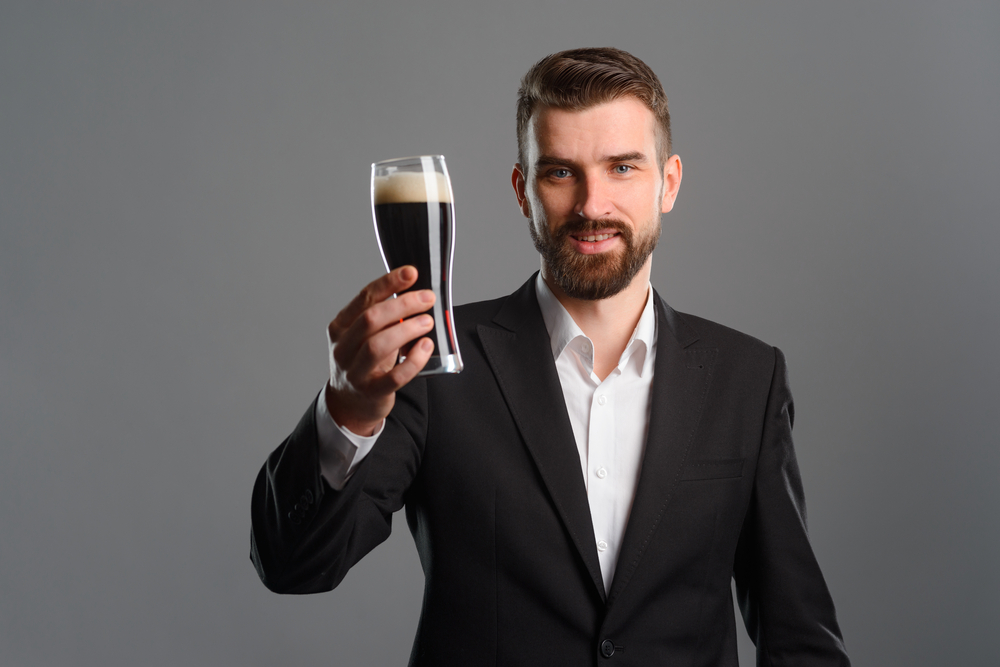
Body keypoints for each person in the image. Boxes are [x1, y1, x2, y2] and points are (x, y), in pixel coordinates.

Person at [251, 47, 850, 666]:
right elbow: (294, 565)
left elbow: (799, 637)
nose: (593, 205)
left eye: (622, 167)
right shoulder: (432, 363)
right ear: (522, 189)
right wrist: (346, 412)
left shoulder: (747, 379)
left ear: (668, 183)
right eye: (561, 172)